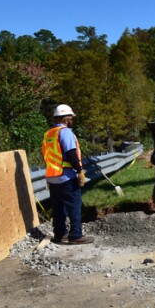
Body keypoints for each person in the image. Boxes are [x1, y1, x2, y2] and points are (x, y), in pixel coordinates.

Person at [42, 104, 94, 244]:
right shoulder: (65, 133)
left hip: (52, 176)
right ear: (65, 119)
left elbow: (47, 156)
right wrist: (79, 171)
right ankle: (75, 235)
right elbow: (71, 153)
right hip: (66, 176)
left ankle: (59, 234)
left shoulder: (48, 134)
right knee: (74, 205)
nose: (72, 121)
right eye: (70, 118)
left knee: (58, 207)